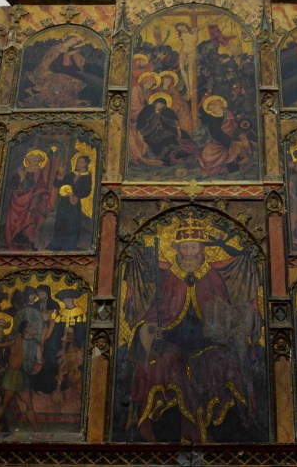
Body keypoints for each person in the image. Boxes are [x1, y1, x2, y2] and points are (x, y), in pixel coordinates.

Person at [122, 217, 263, 443]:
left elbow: (223, 315)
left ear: (202, 249)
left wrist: (229, 328)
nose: (189, 253)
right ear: (177, 250)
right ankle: (162, 429)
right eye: (184, 247)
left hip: (208, 344)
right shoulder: (170, 277)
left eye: (193, 247)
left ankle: (219, 431)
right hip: (172, 342)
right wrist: (151, 330)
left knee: (223, 362)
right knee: (160, 364)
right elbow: (156, 313)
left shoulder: (212, 276)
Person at [0, 319, 44, 433]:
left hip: (16, 375)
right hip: (16, 375)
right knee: (25, 405)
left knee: (6, 404)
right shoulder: (27, 342)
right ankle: (37, 433)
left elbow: (39, 360)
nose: (36, 328)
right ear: (26, 329)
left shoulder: (28, 342)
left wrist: (37, 365)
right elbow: (1, 345)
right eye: (33, 326)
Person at [2, 150, 53, 251]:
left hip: (31, 202)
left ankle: (29, 242)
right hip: (17, 200)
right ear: (28, 161)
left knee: (29, 221)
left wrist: (39, 193)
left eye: (38, 161)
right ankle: (14, 240)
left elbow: (39, 185)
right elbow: (11, 185)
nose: (36, 163)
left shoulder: (38, 172)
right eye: (34, 161)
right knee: (15, 222)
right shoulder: (20, 171)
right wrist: (21, 178)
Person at [47, 155, 93, 251]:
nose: (78, 164)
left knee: (72, 223)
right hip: (64, 203)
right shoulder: (70, 175)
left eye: (81, 162)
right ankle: (57, 244)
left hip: (74, 204)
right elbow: (57, 184)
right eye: (77, 162)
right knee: (60, 222)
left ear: (86, 164)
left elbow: (87, 191)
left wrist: (74, 193)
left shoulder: (87, 177)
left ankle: (69, 245)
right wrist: (60, 174)